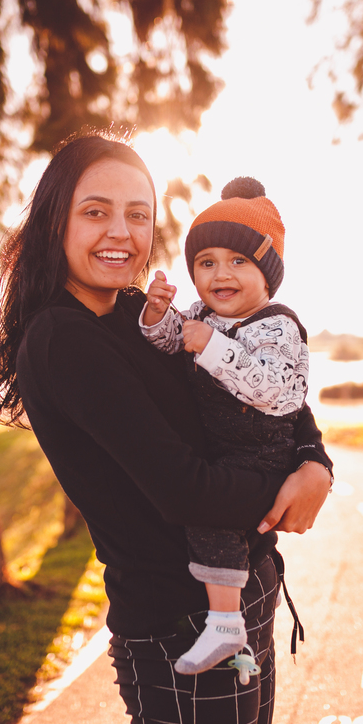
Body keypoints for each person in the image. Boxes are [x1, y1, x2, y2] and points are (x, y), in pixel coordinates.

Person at [0, 132, 332, 724]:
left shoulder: (134, 315)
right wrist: (282, 492)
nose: (120, 233)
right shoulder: (63, 340)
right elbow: (182, 490)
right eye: (96, 212)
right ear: (54, 221)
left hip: (243, 588)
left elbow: (258, 389)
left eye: (138, 215)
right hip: (182, 622)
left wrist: (313, 461)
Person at [139, 176, 310, 678]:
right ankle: (226, 619)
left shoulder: (279, 325)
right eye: (206, 263)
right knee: (210, 523)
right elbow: (172, 341)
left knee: (216, 510)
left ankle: (224, 619)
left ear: (268, 274)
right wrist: (155, 317)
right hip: (224, 447)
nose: (221, 274)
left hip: (262, 448)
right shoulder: (201, 314)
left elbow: (272, 388)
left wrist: (209, 347)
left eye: (239, 261)